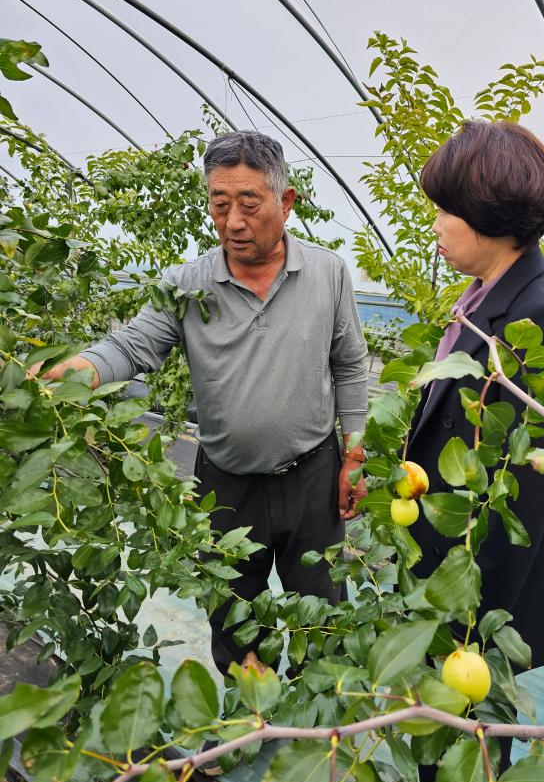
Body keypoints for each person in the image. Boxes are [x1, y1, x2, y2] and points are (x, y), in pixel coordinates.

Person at [40, 131, 369, 677]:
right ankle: (250, 717)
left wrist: (354, 455)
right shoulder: (188, 285)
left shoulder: (328, 274)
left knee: (320, 613)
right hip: (227, 485)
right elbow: (129, 346)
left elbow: (352, 365)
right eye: (220, 204)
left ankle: (319, 727)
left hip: (313, 476)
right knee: (235, 616)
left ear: (285, 203)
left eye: (249, 204)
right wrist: (69, 375)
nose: (233, 221)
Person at [407, 120, 544, 782]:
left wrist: (472, 631)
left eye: (446, 211)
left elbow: (525, 495)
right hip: (446, 580)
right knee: (448, 754)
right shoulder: (485, 300)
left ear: (487, 217)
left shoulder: (539, 318)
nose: (437, 226)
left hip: (478, 601)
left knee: (469, 762)